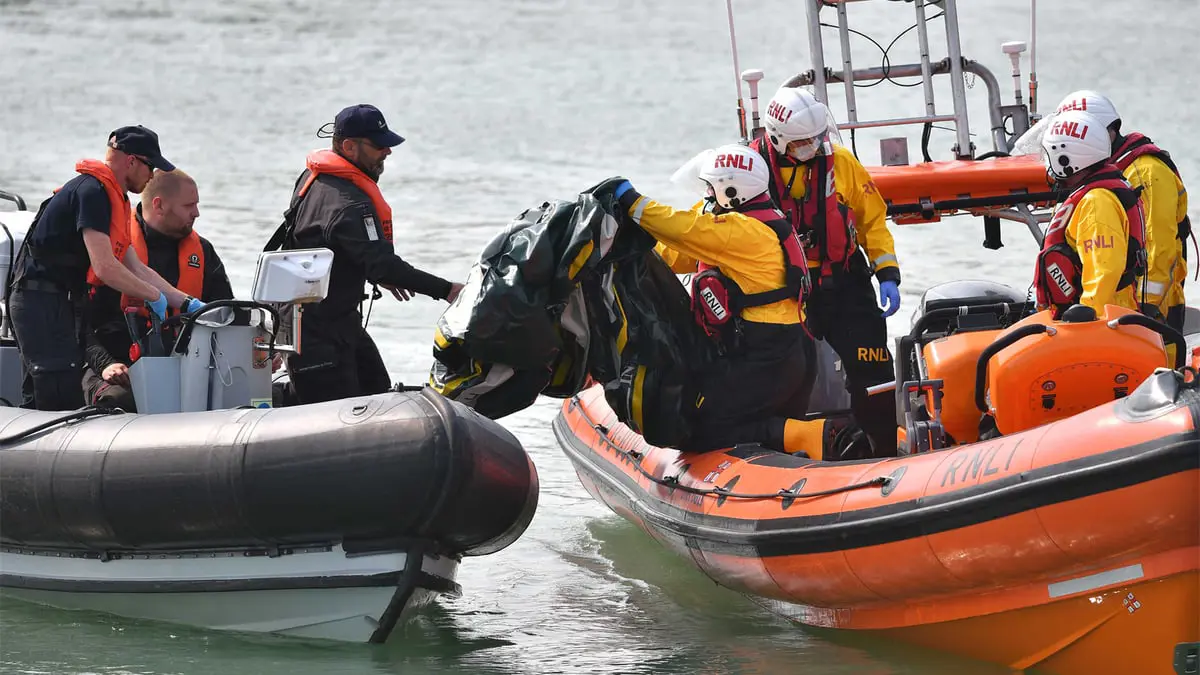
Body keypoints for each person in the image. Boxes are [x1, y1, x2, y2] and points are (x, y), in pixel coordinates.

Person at [612, 143, 814, 453]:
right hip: (788, 348)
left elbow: (686, 229)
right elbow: (679, 255)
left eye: (710, 187)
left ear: (731, 189)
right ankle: (794, 436)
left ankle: (806, 435)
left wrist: (633, 203)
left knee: (696, 424)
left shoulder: (741, 230)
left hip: (769, 354)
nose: (707, 194)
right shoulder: (760, 222)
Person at [265, 104, 463, 404]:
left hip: (331, 321)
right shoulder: (349, 203)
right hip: (316, 331)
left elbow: (330, 244)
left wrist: (370, 267)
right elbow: (383, 266)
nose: (387, 152)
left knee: (378, 393)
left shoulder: (314, 178)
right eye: (379, 145)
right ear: (348, 146)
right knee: (337, 412)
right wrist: (447, 290)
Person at [751, 86, 901, 457]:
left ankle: (881, 448)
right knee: (782, 374)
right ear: (778, 139)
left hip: (843, 281)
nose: (816, 147)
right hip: (782, 289)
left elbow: (872, 221)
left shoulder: (841, 163)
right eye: (805, 142)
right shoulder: (751, 170)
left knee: (874, 368)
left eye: (819, 138)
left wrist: (887, 274)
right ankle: (778, 453)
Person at [7, 126, 203, 410]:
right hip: (39, 301)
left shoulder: (114, 198)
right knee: (55, 394)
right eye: (150, 166)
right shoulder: (92, 192)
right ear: (132, 161)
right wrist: (152, 297)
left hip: (60, 302)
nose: (152, 176)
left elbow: (136, 267)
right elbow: (104, 267)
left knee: (62, 391)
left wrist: (185, 301)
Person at [81, 170, 233, 411]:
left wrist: (253, 350)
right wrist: (105, 364)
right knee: (120, 399)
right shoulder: (108, 249)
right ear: (159, 205)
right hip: (117, 367)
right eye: (189, 205)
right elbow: (80, 323)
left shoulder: (203, 252)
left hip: (187, 367)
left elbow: (227, 315)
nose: (197, 213)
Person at [1055, 91, 1191, 332]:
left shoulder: (1146, 173)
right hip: (1124, 306)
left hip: (1153, 309)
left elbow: (1160, 249)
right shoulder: (1108, 172)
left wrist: (1147, 309)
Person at [1035, 109, 1145, 316]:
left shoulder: (1095, 203)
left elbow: (1104, 272)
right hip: (1097, 318)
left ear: (1065, 158)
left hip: (1104, 322)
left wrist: (1086, 316)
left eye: (1050, 155)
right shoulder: (1091, 195)